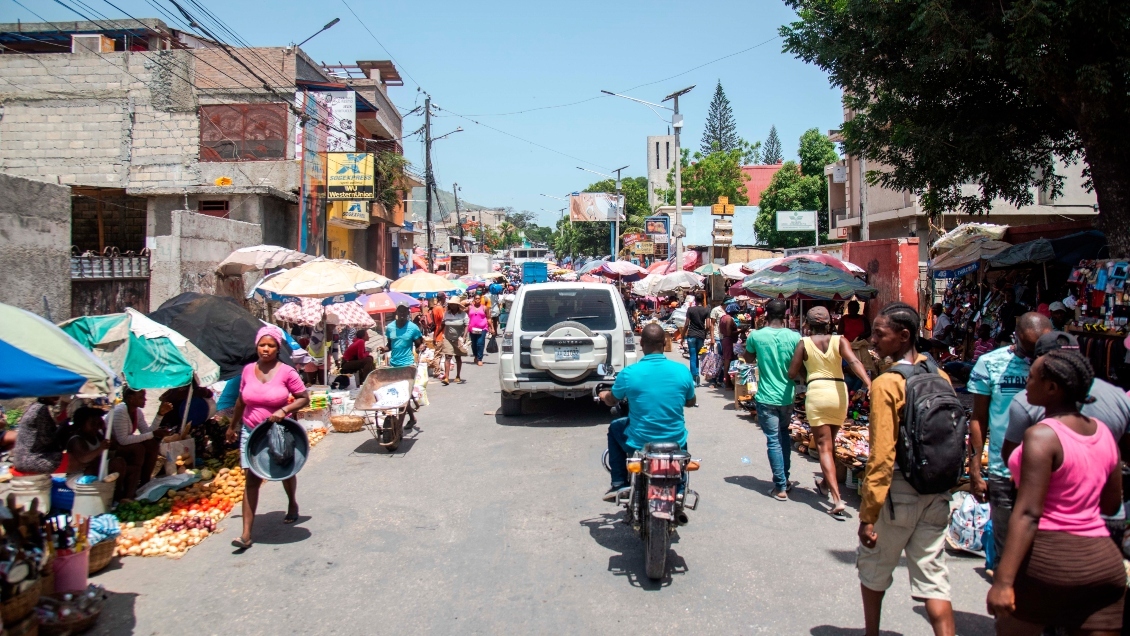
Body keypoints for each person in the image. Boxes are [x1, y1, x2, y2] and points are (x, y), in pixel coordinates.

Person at [987, 348, 1124, 633]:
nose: (1026, 382)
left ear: (1051, 388)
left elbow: (1028, 514)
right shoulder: (1103, 433)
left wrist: (1003, 581)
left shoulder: (1042, 435)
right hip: (1103, 564)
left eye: (1033, 377)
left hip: (1048, 560)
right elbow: (1111, 505)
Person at [857, 302, 956, 636]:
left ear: (903, 336)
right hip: (936, 490)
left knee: (873, 569)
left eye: (879, 334)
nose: (873, 340)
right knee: (934, 578)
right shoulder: (940, 375)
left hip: (898, 493)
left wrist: (868, 513)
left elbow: (882, 455)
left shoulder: (887, 384)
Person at [968, 312, 1053, 568]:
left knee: (1042, 552)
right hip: (1002, 472)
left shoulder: (1057, 365)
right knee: (1006, 550)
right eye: (1029, 347)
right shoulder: (990, 364)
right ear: (1015, 337)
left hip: (1049, 473)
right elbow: (979, 418)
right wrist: (974, 467)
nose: (1034, 355)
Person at [226, 325, 310, 551]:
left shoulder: (287, 372)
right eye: (262, 345)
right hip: (251, 431)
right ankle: (246, 533)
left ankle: (292, 503)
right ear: (256, 346)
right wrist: (233, 425)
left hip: (279, 431)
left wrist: (283, 410)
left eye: (271, 346)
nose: (266, 349)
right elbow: (241, 400)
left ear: (277, 348)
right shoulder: (247, 371)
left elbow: (304, 398)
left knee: (283, 470)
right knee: (251, 480)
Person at [788, 306, 872, 518]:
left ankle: (836, 499)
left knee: (825, 448)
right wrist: (869, 382)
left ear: (807, 324)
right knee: (831, 444)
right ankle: (825, 484)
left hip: (817, 393)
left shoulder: (804, 343)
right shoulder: (840, 340)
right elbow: (854, 361)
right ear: (829, 323)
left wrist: (805, 371)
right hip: (838, 393)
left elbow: (792, 372)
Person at [600, 323, 696, 501]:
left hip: (640, 442)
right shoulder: (682, 371)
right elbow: (691, 401)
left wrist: (603, 394)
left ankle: (619, 483)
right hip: (675, 440)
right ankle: (680, 487)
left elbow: (612, 399)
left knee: (615, 427)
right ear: (664, 342)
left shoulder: (629, 374)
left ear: (641, 343)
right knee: (680, 434)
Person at [743, 299, 802, 500]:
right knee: (784, 435)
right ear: (784, 314)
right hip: (788, 396)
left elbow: (748, 359)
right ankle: (784, 478)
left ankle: (780, 486)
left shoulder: (756, 336)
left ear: (766, 314)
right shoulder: (795, 337)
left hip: (767, 396)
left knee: (773, 440)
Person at [110, 387, 166, 500]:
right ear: (130, 399)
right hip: (112, 448)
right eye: (141, 397)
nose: (145, 400)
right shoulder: (120, 411)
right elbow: (123, 440)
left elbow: (147, 432)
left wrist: (160, 414)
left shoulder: (137, 412)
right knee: (138, 448)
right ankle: (132, 486)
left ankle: (145, 482)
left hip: (122, 445)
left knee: (151, 444)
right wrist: (153, 434)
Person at [383, 303, 425, 428]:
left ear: (408, 312)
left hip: (407, 365)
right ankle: (412, 418)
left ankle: (399, 426)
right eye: (400, 311)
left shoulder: (413, 328)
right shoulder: (390, 327)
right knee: (399, 395)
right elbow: (389, 345)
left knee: (403, 395)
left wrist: (421, 347)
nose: (402, 314)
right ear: (396, 312)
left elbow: (419, 344)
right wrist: (383, 349)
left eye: (404, 311)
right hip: (394, 364)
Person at [64, 407, 123, 490]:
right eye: (92, 424)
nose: (96, 427)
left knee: (120, 462)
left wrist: (104, 428)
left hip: (94, 471)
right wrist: (100, 449)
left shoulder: (96, 435)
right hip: (78, 478)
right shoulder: (76, 440)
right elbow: (84, 458)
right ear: (81, 423)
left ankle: (120, 496)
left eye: (98, 424)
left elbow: (114, 446)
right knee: (100, 466)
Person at [13, 396, 64, 475]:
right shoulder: (41, 409)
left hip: (20, 459)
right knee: (77, 459)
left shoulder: (33, 407)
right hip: (33, 460)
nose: (57, 397)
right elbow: (46, 439)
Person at [682, 292, 712, 386]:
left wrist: (683, 336)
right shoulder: (706, 310)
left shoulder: (690, 310)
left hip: (691, 335)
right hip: (700, 336)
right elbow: (708, 325)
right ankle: (696, 378)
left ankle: (694, 378)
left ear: (695, 300)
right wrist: (705, 333)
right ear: (702, 300)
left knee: (693, 356)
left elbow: (686, 324)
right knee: (696, 357)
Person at [439, 298, 468, 385]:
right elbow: (443, 324)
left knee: (458, 357)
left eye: (454, 304)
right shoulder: (447, 314)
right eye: (451, 304)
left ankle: (458, 375)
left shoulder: (463, 314)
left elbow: (466, 325)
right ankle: (446, 377)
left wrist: (464, 336)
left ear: (458, 305)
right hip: (448, 338)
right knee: (448, 356)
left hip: (458, 339)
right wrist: (437, 334)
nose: (452, 306)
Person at [714, 303, 739, 389]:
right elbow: (729, 333)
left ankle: (727, 381)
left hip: (724, 340)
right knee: (727, 362)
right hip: (728, 341)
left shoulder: (722, 318)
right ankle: (727, 382)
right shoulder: (729, 319)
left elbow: (722, 330)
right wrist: (740, 331)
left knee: (727, 361)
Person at [468, 295, 490, 366]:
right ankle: (476, 356)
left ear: (480, 300)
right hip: (472, 328)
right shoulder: (470, 307)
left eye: (478, 299)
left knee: (480, 343)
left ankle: (480, 359)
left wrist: (491, 328)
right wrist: (467, 301)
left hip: (482, 328)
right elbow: (461, 308)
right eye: (476, 299)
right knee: (474, 344)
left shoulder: (484, 308)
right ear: (474, 300)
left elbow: (489, 318)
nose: (477, 300)